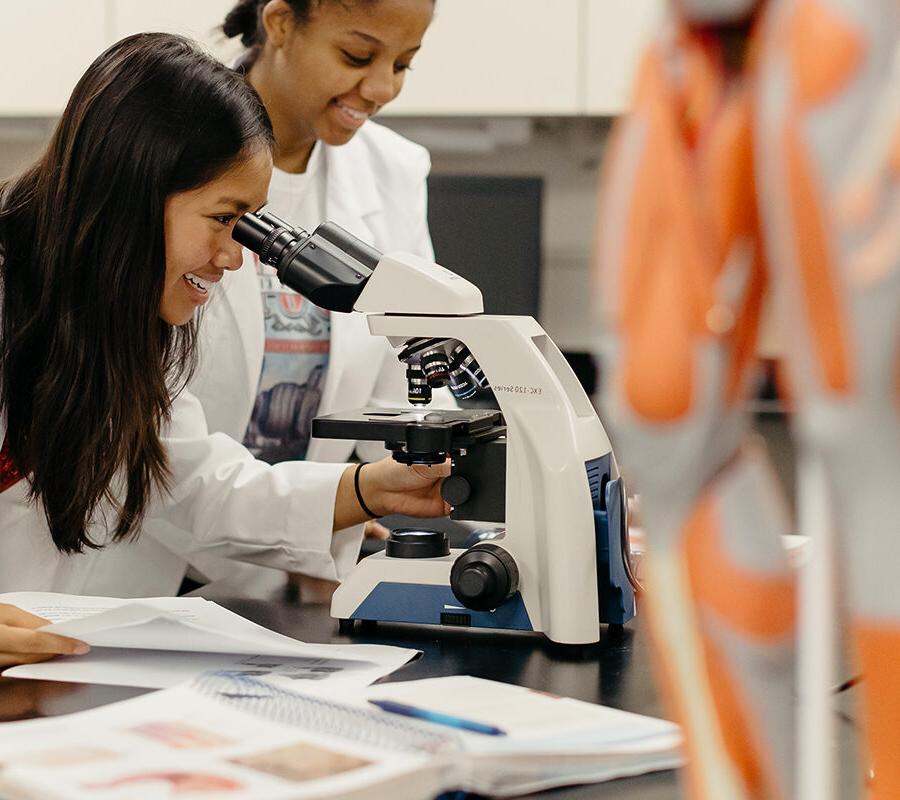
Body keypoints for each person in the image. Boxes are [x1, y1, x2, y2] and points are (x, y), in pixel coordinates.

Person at [0, 32, 448, 666]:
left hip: (63, 668)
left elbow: (193, 484)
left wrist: (371, 489)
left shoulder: (126, 321)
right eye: (222, 218)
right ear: (133, 191)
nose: (236, 257)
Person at [156, 0, 449, 592]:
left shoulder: (393, 171)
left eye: (404, 64)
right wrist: (341, 499)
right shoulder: (168, 143)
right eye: (357, 55)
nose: (382, 87)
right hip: (156, 555)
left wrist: (363, 496)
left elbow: (408, 372)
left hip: (292, 566)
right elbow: (173, 465)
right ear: (281, 23)